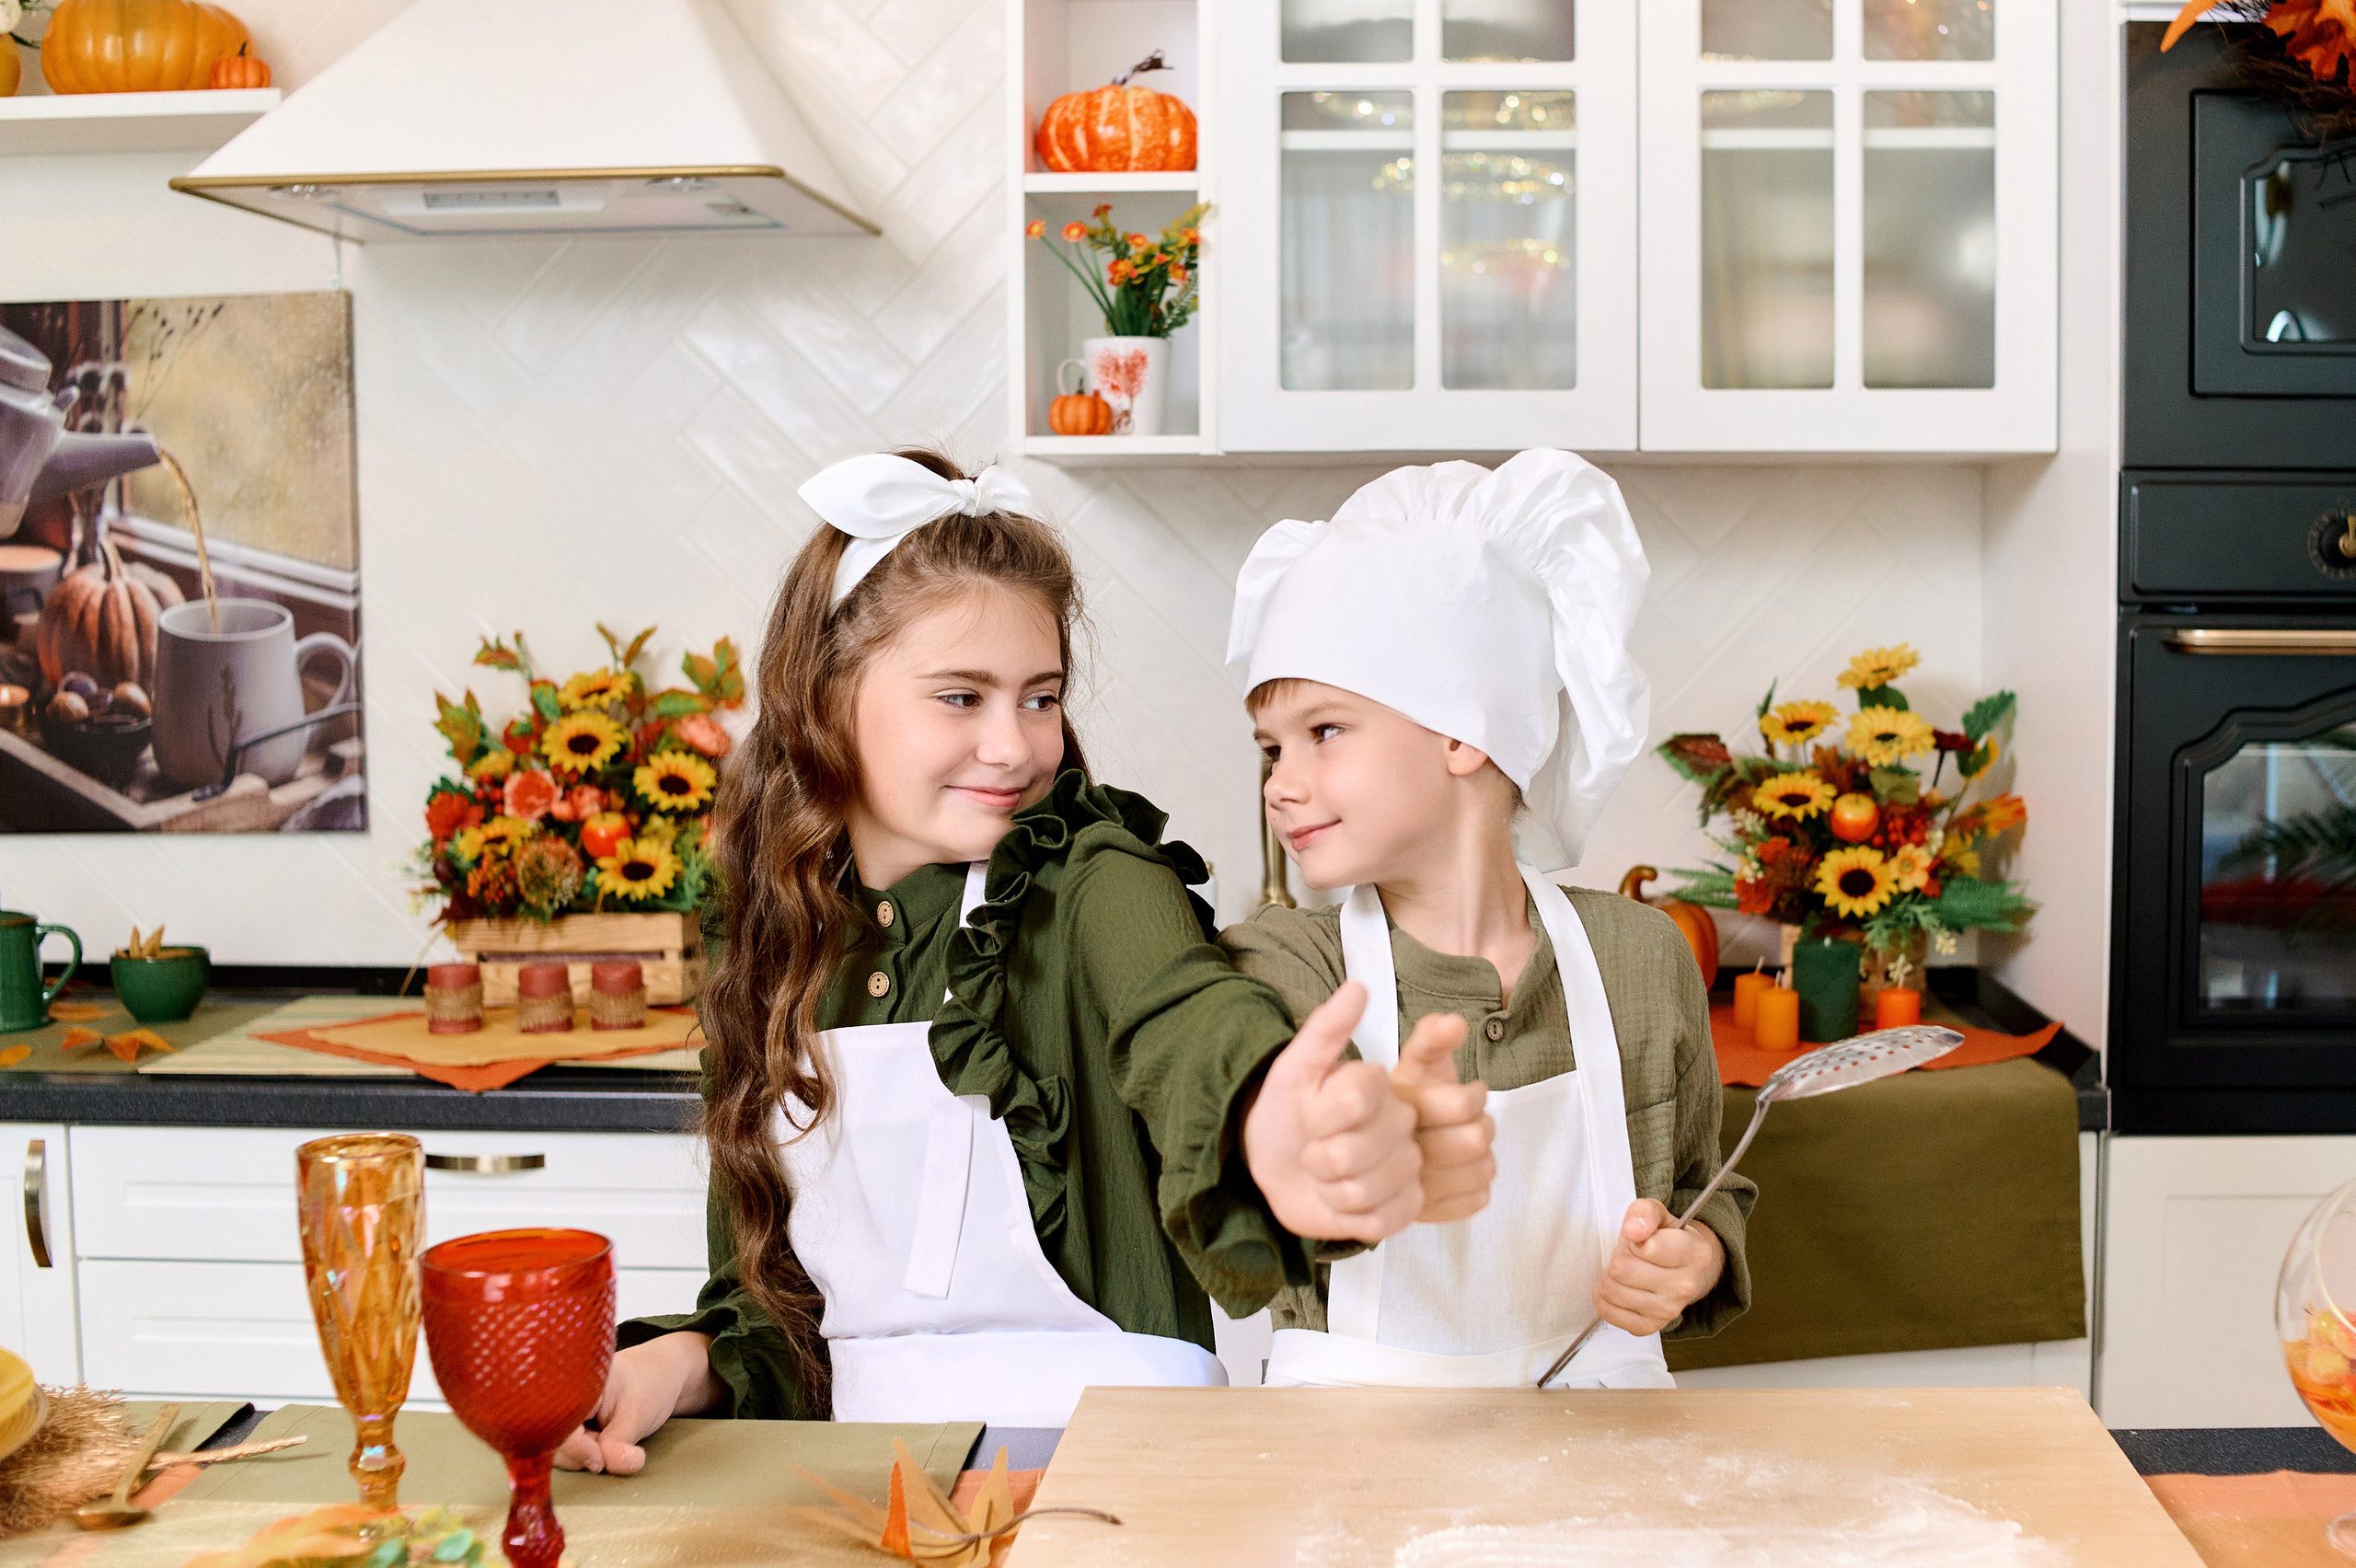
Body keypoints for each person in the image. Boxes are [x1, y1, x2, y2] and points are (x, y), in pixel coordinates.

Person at [557, 449, 1495, 1471]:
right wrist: (675, 1367)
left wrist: (1280, 1129)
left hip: (1123, 1482)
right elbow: (780, 1324)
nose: (1014, 746)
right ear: (824, 698)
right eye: (961, 698)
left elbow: (1191, 1021)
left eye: (1039, 698)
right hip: (862, 1494)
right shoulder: (778, 950)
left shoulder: (1094, 883)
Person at [1219, 448, 1753, 1390]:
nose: (1280, 785)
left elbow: (1709, 1188)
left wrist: (1694, 1256)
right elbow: (1250, 1188)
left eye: (1324, 732)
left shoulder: (1638, 957)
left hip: (1604, 1461)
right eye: (1271, 748)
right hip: (1348, 1472)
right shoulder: (1279, 964)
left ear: (1465, 726)